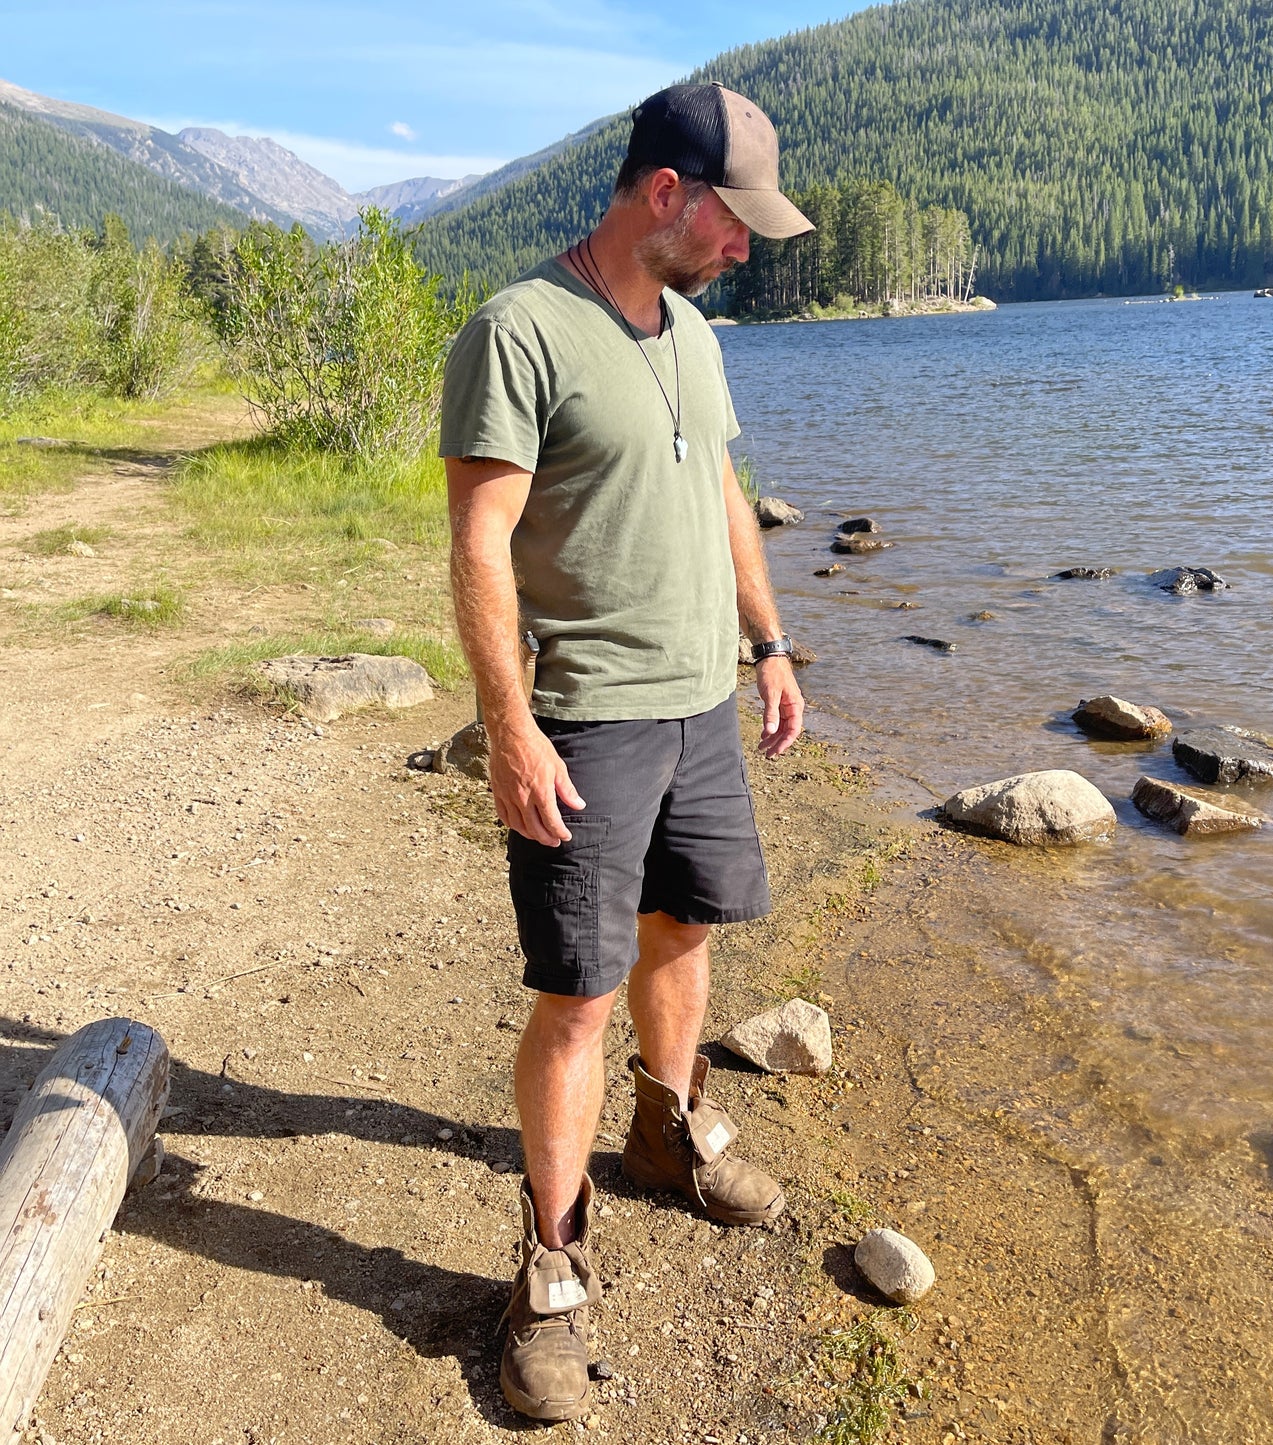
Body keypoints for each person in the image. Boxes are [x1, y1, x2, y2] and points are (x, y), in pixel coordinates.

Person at [439, 82, 814, 1422]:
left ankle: (664, 1131)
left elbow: (716, 489)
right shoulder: (519, 331)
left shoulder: (696, 335)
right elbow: (479, 544)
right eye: (735, 218)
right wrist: (509, 725)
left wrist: (767, 642)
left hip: (698, 702)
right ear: (666, 193)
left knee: (688, 930)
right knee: (578, 991)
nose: (747, 245)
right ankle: (548, 1264)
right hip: (587, 713)